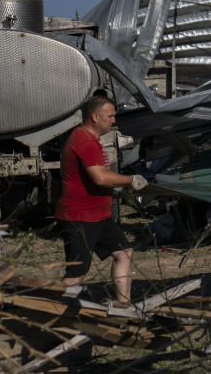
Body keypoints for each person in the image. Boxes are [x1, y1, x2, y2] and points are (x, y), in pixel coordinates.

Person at [56, 95, 148, 306]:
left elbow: (97, 180)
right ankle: (52, 309)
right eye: (110, 116)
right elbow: (100, 177)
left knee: (124, 253)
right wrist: (130, 180)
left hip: (98, 216)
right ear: (96, 117)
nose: (114, 120)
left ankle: (122, 304)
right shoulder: (83, 141)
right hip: (79, 217)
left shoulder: (90, 140)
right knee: (77, 273)